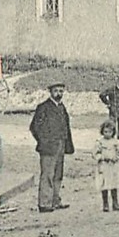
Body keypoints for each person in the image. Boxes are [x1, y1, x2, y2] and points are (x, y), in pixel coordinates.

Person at [29, 80, 74, 213]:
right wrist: (43, 141)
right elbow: (34, 127)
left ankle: (55, 200)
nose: (58, 94)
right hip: (48, 147)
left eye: (61, 91)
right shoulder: (43, 107)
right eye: (56, 91)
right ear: (50, 92)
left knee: (58, 175)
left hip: (61, 144)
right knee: (47, 175)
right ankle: (44, 203)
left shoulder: (62, 107)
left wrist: (66, 144)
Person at [93, 119, 119, 212]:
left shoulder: (116, 142)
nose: (107, 134)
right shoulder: (99, 142)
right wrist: (101, 157)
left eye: (110, 132)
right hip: (104, 165)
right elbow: (95, 153)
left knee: (114, 183)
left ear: (113, 132)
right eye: (105, 132)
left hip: (113, 166)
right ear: (102, 131)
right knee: (104, 184)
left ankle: (115, 203)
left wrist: (117, 157)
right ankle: (105, 203)